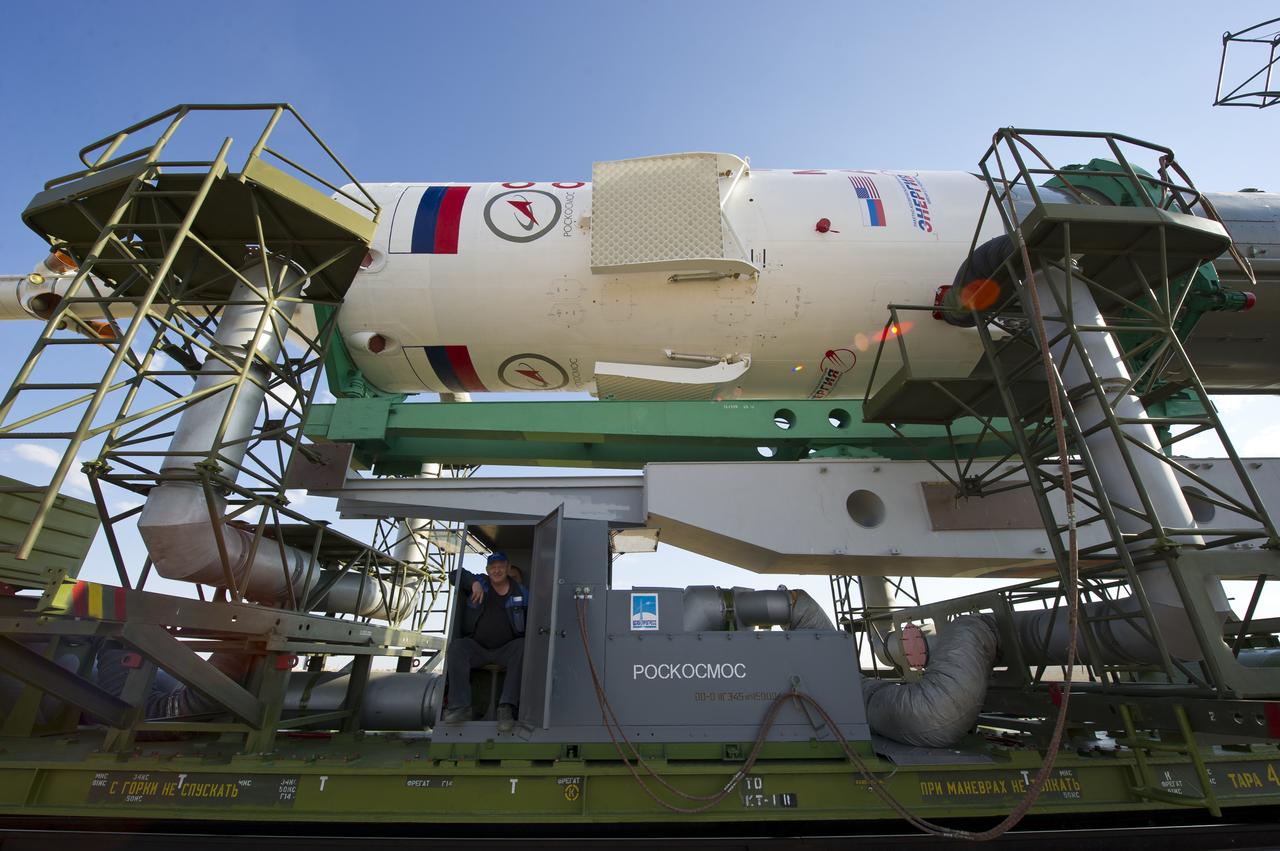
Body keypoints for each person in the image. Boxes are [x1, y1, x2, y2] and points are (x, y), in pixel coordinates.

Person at [443, 552, 528, 732]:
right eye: (493, 567)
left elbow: (537, 612)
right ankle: (460, 707)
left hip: (506, 649)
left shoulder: (521, 592)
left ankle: (506, 709)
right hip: (478, 648)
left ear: (507, 568)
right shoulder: (480, 582)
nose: (497, 570)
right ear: (487, 570)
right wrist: (473, 583)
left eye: (501, 566)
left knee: (522, 647)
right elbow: (454, 574)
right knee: (457, 647)